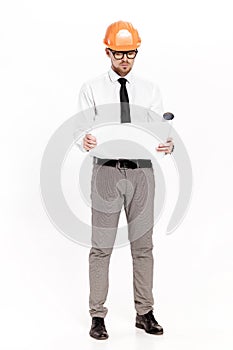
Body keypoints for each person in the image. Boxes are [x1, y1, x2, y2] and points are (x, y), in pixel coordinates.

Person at [75, 20, 174, 340]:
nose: (125, 59)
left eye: (131, 52)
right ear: (108, 51)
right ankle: (97, 315)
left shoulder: (150, 89)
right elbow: (80, 129)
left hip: (142, 172)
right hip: (105, 171)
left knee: (143, 246)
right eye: (119, 53)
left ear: (136, 52)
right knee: (101, 247)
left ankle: (144, 312)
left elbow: (159, 129)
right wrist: (83, 140)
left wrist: (168, 143)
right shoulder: (91, 88)